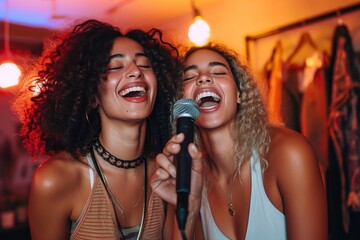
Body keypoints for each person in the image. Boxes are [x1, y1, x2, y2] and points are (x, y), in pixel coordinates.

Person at [11, 19, 181, 239]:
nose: (135, 72)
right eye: (115, 66)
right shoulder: (56, 179)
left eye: (144, 64)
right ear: (92, 96)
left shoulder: (166, 172)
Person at [151, 43, 328, 239]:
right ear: (182, 103)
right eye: (190, 77)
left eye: (218, 72)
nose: (203, 78)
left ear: (239, 94)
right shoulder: (189, 177)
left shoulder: (289, 153)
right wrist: (188, 209)